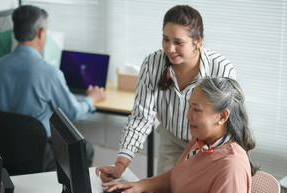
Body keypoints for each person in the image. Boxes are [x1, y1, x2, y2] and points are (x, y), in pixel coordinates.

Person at [102, 77, 256, 193]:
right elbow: (179, 176)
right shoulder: (201, 141)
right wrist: (140, 185)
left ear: (222, 117)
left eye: (196, 109)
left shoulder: (232, 163)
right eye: (189, 106)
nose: (188, 115)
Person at [96, 5, 236, 181]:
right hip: (172, 142)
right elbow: (141, 118)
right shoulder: (152, 64)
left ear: (198, 41)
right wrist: (120, 166)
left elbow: (229, 121)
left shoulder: (221, 68)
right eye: (165, 39)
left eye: (178, 42)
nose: (170, 49)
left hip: (211, 146)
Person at [0, 5, 106, 169]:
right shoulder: (49, 73)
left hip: (4, 147)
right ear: (40, 33)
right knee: (85, 149)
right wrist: (91, 99)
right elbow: (73, 112)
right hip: (37, 150)